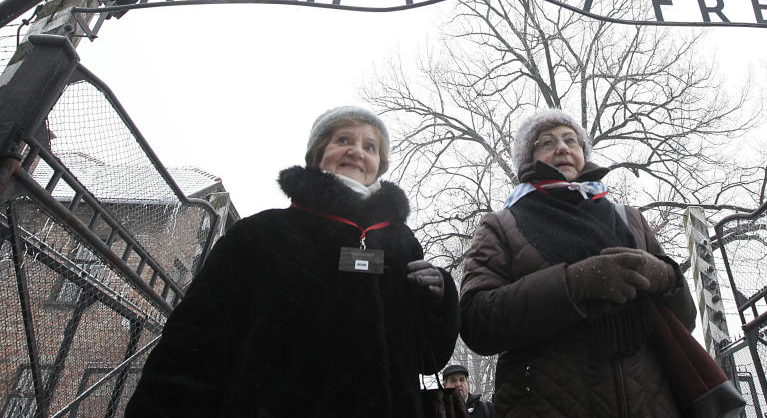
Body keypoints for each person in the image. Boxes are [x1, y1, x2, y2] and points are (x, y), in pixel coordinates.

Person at [126, 106, 459, 417]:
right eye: (343, 140)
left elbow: (427, 359)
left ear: (379, 166)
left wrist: (440, 300)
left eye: (370, 147)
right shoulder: (259, 235)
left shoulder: (403, 246)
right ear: (317, 155)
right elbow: (191, 347)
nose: (357, 151)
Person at [458, 109, 697, 417]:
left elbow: (686, 320)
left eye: (571, 139)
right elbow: (476, 321)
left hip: (651, 405)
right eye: (547, 142)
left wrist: (666, 277)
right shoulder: (502, 226)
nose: (562, 147)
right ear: (529, 160)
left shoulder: (630, 220)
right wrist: (574, 284)